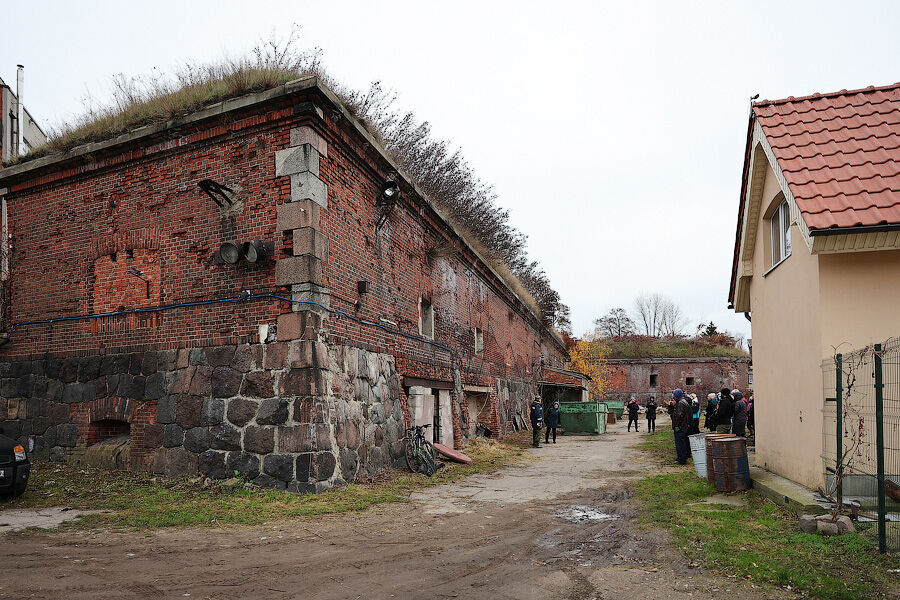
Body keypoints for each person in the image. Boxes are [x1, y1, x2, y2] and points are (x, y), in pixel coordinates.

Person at [672, 389, 692, 464]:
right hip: (683, 426)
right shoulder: (683, 402)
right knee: (681, 443)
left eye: (674, 395)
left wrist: (677, 426)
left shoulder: (680, 403)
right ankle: (681, 458)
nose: (673, 396)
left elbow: (679, 415)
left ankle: (681, 459)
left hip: (680, 427)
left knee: (680, 443)